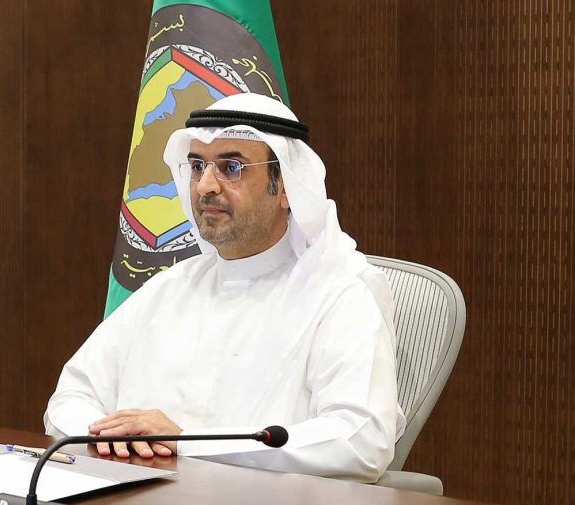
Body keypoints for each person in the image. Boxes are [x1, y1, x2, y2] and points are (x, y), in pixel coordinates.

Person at [43, 93, 405, 483]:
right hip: (137, 501)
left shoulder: (339, 295)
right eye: (197, 166)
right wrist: (109, 436)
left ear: (287, 187)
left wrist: (185, 443)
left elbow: (360, 441)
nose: (205, 186)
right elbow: (71, 397)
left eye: (232, 167)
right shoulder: (169, 289)